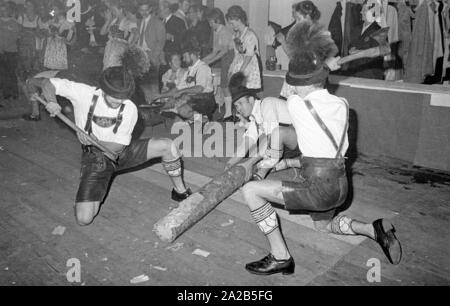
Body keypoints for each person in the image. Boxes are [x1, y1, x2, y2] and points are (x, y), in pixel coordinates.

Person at [239, 21, 402, 276]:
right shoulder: (343, 105)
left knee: (251, 191)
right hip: (340, 185)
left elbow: (293, 88)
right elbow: (310, 84)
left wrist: (312, 63)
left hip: (317, 188)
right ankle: (373, 229)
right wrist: (323, 68)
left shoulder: (295, 104)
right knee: (324, 227)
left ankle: (280, 256)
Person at [27, 66, 192, 226]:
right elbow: (48, 84)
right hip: (97, 159)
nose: (120, 101)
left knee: (168, 146)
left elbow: (117, 148)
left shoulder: (130, 109)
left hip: (122, 152)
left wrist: (92, 140)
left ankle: (180, 192)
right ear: (103, 89)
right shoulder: (84, 92)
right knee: (84, 219)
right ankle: (83, 202)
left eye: (123, 97)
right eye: (115, 97)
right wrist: (52, 101)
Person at [225, 72, 294, 178]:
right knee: (259, 151)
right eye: (236, 106)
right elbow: (246, 143)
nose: (239, 109)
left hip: (302, 139)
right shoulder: (254, 118)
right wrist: (229, 163)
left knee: (269, 141)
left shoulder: (267, 103)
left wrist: (250, 163)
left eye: (240, 104)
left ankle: (265, 170)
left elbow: (271, 137)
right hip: (287, 144)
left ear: (251, 99)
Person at [154, 45, 216, 123]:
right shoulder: (189, 71)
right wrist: (159, 96)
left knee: (182, 110)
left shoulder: (202, 68)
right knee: (174, 103)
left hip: (205, 99)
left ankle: (203, 120)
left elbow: (199, 88)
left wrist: (182, 92)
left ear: (192, 56)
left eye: (185, 57)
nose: (183, 60)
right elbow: (177, 89)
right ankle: (203, 120)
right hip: (193, 98)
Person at [203, 8, 235, 121]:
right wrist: (202, 62)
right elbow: (214, 51)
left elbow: (225, 51)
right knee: (224, 85)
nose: (210, 24)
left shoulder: (225, 31)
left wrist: (209, 62)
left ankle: (229, 113)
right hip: (225, 58)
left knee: (225, 85)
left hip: (231, 57)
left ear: (217, 20)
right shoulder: (216, 31)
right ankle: (228, 113)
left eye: (211, 22)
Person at [344, 0, 385, 80]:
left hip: (370, 76)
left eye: (364, 10)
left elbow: (378, 54)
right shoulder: (356, 29)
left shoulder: (380, 32)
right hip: (353, 73)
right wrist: (351, 49)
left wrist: (358, 52)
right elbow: (350, 46)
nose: (361, 12)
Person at [226, 6, 262, 94]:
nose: (231, 26)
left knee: (247, 94)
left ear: (238, 19)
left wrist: (240, 73)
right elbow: (237, 55)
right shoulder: (235, 36)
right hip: (239, 66)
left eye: (232, 23)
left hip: (248, 67)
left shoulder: (250, 35)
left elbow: (249, 56)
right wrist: (231, 70)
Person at [136, 0, 166, 103]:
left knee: (153, 87)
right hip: (141, 58)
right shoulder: (139, 22)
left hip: (151, 58)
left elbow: (161, 42)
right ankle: (147, 107)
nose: (144, 13)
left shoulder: (157, 22)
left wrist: (153, 57)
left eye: (146, 10)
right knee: (143, 86)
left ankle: (155, 108)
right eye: (141, 10)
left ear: (150, 9)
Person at [100, 0, 138, 70]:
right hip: (109, 50)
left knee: (116, 71)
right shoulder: (113, 20)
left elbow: (136, 35)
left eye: (114, 10)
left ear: (120, 9)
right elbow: (102, 33)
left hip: (120, 52)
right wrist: (108, 21)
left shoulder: (128, 21)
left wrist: (129, 47)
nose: (112, 12)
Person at [42, 1, 75, 71]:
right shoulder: (50, 21)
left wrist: (64, 38)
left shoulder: (68, 22)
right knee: (49, 69)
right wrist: (49, 33)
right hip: (50, 47)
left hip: (61, 47)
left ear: (61, 10)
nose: (54, 11)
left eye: (55, 9)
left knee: (59, 70)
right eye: (52, 9)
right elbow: (46, 34)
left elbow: (69, 38)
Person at [0, 2, 20, 102]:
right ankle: (6, 93)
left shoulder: (14, 22)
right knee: (3, 73)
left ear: (9, 10)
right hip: (1, 51)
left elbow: (15, 37)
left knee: (11, 73)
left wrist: (4, 47)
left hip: (11, 52)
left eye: (5, 9)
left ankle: (14, 92)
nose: (3, 12)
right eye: (1, 10)